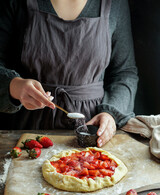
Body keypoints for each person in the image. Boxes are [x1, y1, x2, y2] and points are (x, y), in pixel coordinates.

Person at [0, 0, 138, 147]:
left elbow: (124, 73)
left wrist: (110, 113)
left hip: (92, 132)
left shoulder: (115, 4)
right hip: (25, 130)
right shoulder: (15, 3)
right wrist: (14, 86)